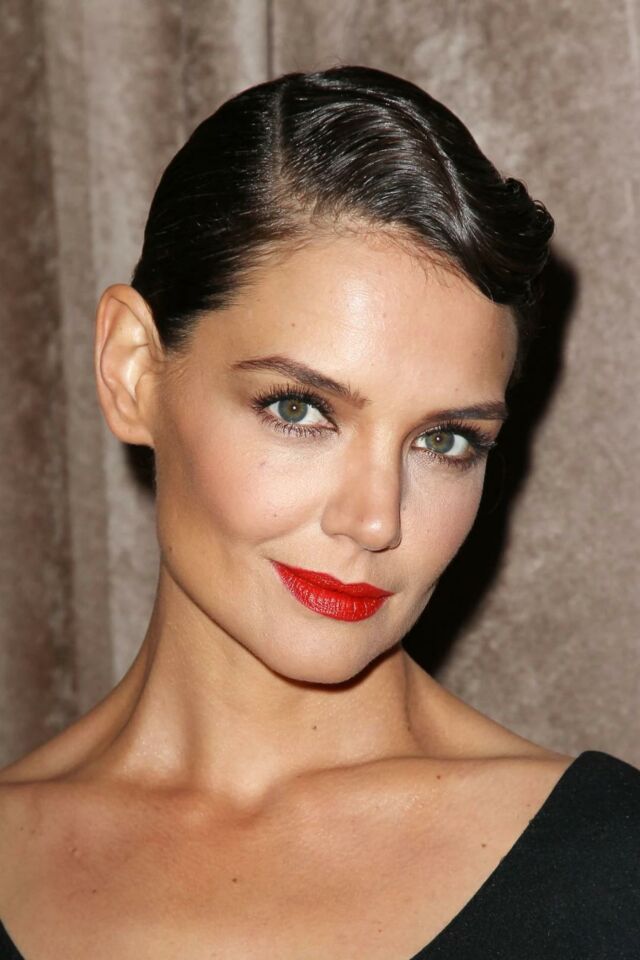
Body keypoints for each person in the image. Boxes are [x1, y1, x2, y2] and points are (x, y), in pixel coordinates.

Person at [0, 65, 638, 960]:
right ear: (133, 371)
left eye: (446, 440)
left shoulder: (613, 873)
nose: (375, 521)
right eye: (299, 409)